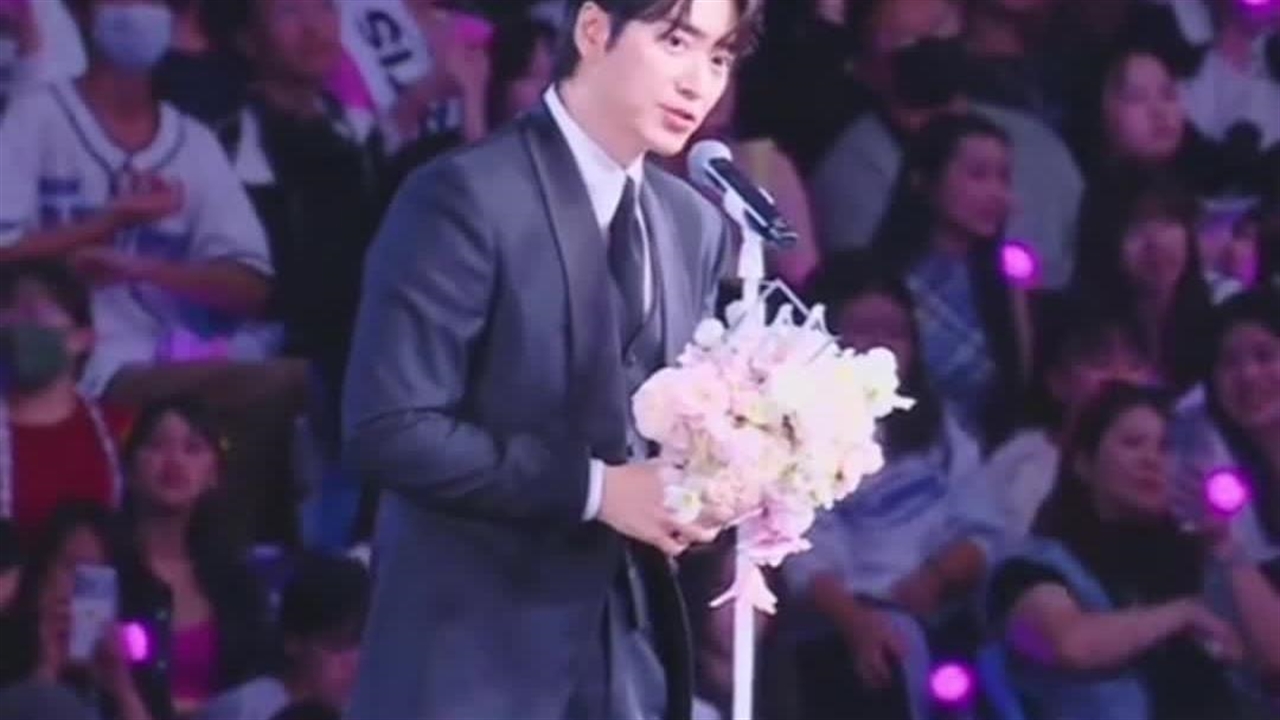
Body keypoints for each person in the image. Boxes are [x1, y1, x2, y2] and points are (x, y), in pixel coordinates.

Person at [339, 0, 763, 717]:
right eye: (675, 42)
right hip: (472, 658)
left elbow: (657, 431)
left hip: (631, 659)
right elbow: (389, 426)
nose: (699, 82)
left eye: (719, 57)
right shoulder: (465, 193)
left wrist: (715, 485)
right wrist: (597, 490)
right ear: (594, 30)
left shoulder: (692, 223)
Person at [0, 261, 132, 545]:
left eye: (31, 313)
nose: (14, 327)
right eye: (5, 313)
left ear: (83, 339)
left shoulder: (123, 432)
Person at [199, 552, 369, 720]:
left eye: (365, 646)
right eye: (336, 646)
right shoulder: (246, 710)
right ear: (293, 641)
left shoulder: (371, 709)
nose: (354, 663)